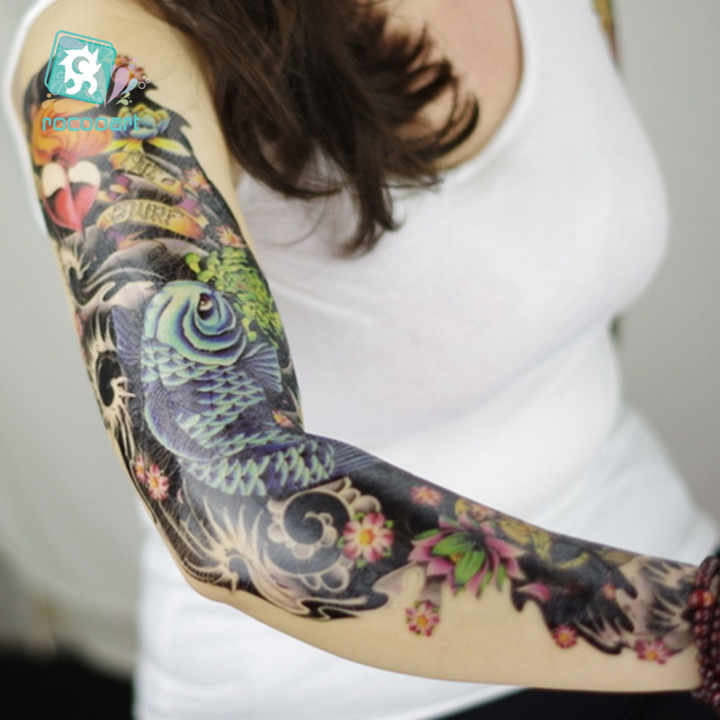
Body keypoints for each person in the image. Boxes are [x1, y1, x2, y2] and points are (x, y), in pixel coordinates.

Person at [5, 0, 720, 718]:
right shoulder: (92, 57)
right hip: (346, 691)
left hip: (659, 558)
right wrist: (699, 624)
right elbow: (228, 508)